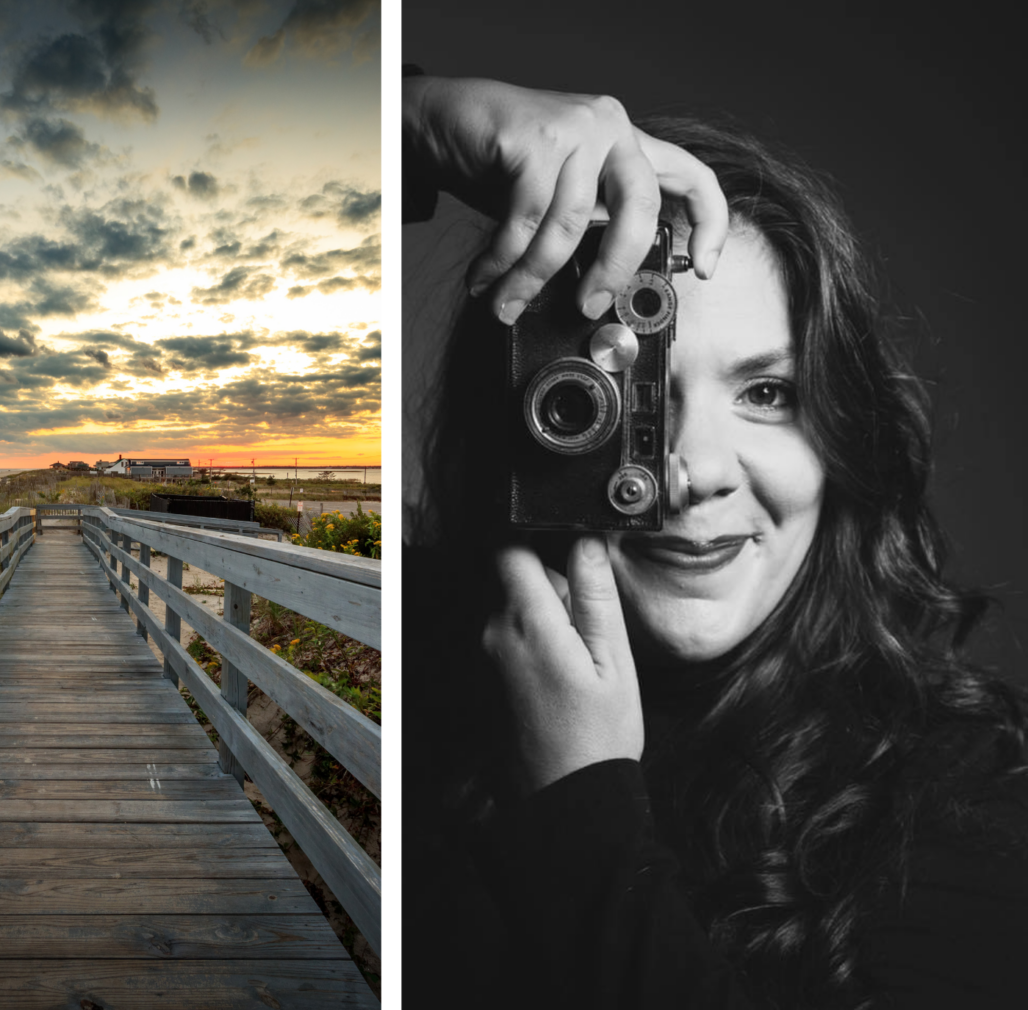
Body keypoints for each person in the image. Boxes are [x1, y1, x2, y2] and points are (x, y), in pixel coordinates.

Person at [403, 75, 1028, 1009]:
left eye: (767, 394)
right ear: (529, 419)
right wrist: (416, 118)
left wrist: (577, 809)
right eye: (617, 399)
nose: (690, 471)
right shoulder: (406, 658)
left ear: (843, 436)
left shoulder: (966, 797)